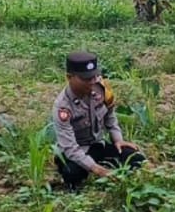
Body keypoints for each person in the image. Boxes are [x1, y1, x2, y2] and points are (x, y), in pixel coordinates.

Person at [52, 52, 145, 189]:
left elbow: (110, 116)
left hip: (98, 145)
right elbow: (70, 148)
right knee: (71, 173)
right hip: (76, 152)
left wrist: (117, 139)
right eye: (86, 79)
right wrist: (97, 169)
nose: (92, 81)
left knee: (136, 158)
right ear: (69, 77)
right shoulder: (63, 107)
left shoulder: (101, 89)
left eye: (94, 76)